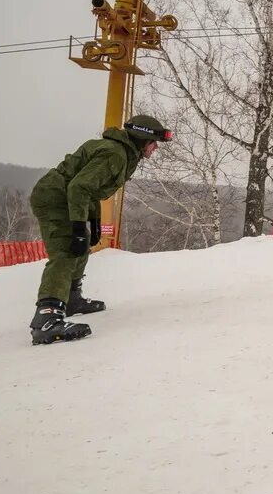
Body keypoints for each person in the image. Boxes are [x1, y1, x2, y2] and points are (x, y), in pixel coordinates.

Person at [28, 114, 172, 345]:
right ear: (142, 138)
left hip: (67, 198)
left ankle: (72, 299)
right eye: (154, 142)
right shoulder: (115, 154)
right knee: (66, 251)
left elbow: (91, 190)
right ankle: (46, 319)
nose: (155, 148)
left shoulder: (124, 154)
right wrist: (78, 227)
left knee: (82, 244)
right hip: (54, 198)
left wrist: (93, 222)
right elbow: (78, 188)